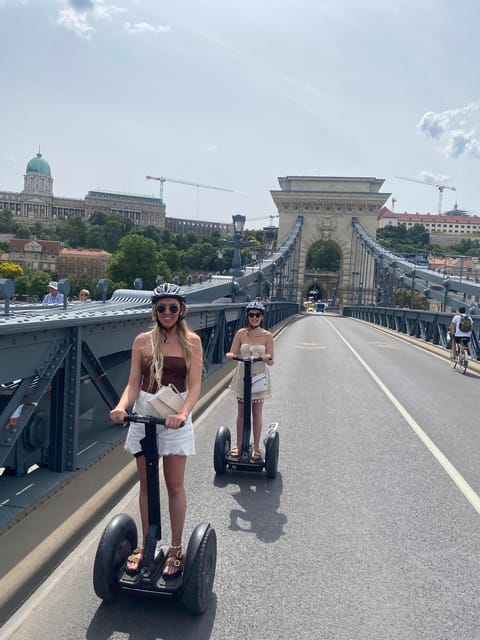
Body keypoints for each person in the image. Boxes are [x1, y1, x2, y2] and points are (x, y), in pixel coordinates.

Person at [109, 283, 203, 577]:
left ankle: (175, 547)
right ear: (155, 310)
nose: (167, 313)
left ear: (181, 310)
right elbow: (133, 384)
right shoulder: (141, 341)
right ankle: (147, 545)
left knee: (174, 484)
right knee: (146, 484)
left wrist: (184, 414)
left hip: (174, 417)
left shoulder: (193, 342)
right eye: (161, 307)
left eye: (172, 307)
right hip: (146, 413)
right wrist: (122, 407)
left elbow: (196, 385)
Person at [225, 301, 274, 462]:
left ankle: (257, 447)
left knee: (257, 413)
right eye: (251, 314)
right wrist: (230, 355)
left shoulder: (267, 336)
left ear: (262, 317)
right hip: (242, 375)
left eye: (257, 315)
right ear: (247, 316)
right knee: (241, 412)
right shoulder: (241, 333)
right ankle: (239, 445)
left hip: (259, 375)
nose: (254, 318)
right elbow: (232, 352)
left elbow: (272, 360)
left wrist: (267, 357)